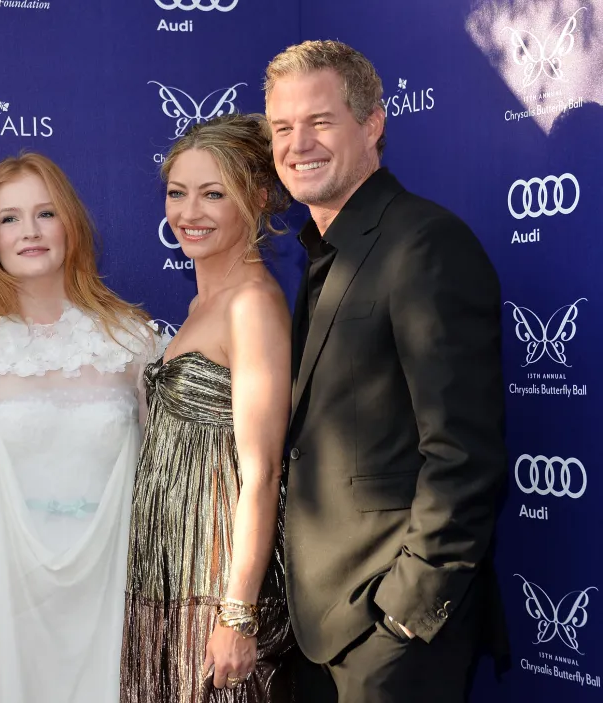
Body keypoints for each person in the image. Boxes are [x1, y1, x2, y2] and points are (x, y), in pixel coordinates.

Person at [263, 40, 508, 703]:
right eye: (282, 128)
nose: (297, 143)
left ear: (372, 124)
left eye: (319, 121)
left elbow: (462, 453)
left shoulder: (424, 244)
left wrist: (404, 615)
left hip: (390, 639)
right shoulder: (322, 254)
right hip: (320, 628)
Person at [0, 152, 166, 702]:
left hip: (110, 600)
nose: (29, 232)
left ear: (71, 225)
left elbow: (166, 476)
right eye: (10, 218)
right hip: (1, 603)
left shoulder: (131, 341)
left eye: (45, 213)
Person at [121, 114, 296, 702]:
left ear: (259, 197)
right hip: (169, 573)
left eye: (213, 193)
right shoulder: (203, 303)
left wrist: (237, 613)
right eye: (177, 193)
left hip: (216, 584)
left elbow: (263, 470)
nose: (188, 212)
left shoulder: (252, 305)